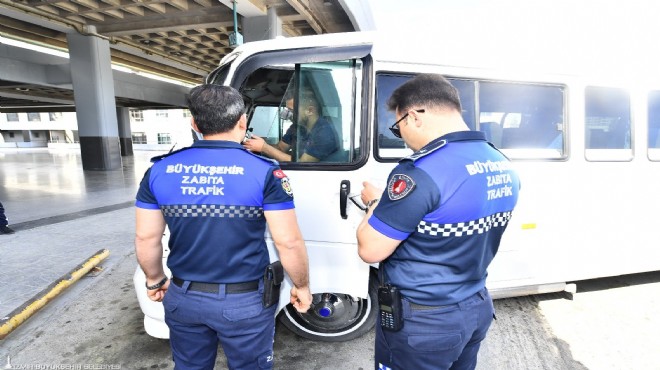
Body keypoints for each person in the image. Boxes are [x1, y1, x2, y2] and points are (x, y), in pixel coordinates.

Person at [134, 84, 312, 369]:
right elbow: (288, 242)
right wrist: (301, 285)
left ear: (194, 124)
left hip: (183, 298)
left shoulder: (159, 170)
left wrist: (155, 280)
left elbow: (146, 237)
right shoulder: (265, 172)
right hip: (244, 302)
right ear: (242, 122)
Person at [356, 73, 520, 370]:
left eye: (398, 127)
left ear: (415, 116)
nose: (402, 136)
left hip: (425, 319)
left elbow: (370, 249)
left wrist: (375, 203)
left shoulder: (420, 172)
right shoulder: (500, 162)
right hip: (475, 304)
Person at [242, 87, 339, 162]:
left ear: (310, 110)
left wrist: (264, 147)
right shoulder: (297, 127)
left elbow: (303, 163)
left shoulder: (325, 133)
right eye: (287, 110)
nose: (288, 115)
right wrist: (254, 144)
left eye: (291, 110)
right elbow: (280, 148)